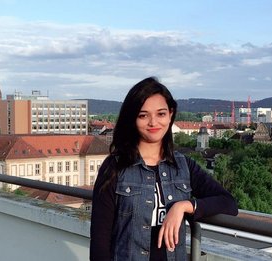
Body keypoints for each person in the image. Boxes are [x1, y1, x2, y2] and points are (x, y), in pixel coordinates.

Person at [90, 77, 238, 261]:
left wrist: (184, 206)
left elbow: (229, 203)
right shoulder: (114, 168)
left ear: (171, 114)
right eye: (143, 115)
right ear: (132, 119)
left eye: (160, 114)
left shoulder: (183, 166)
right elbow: (99, 244)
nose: (153, 122)